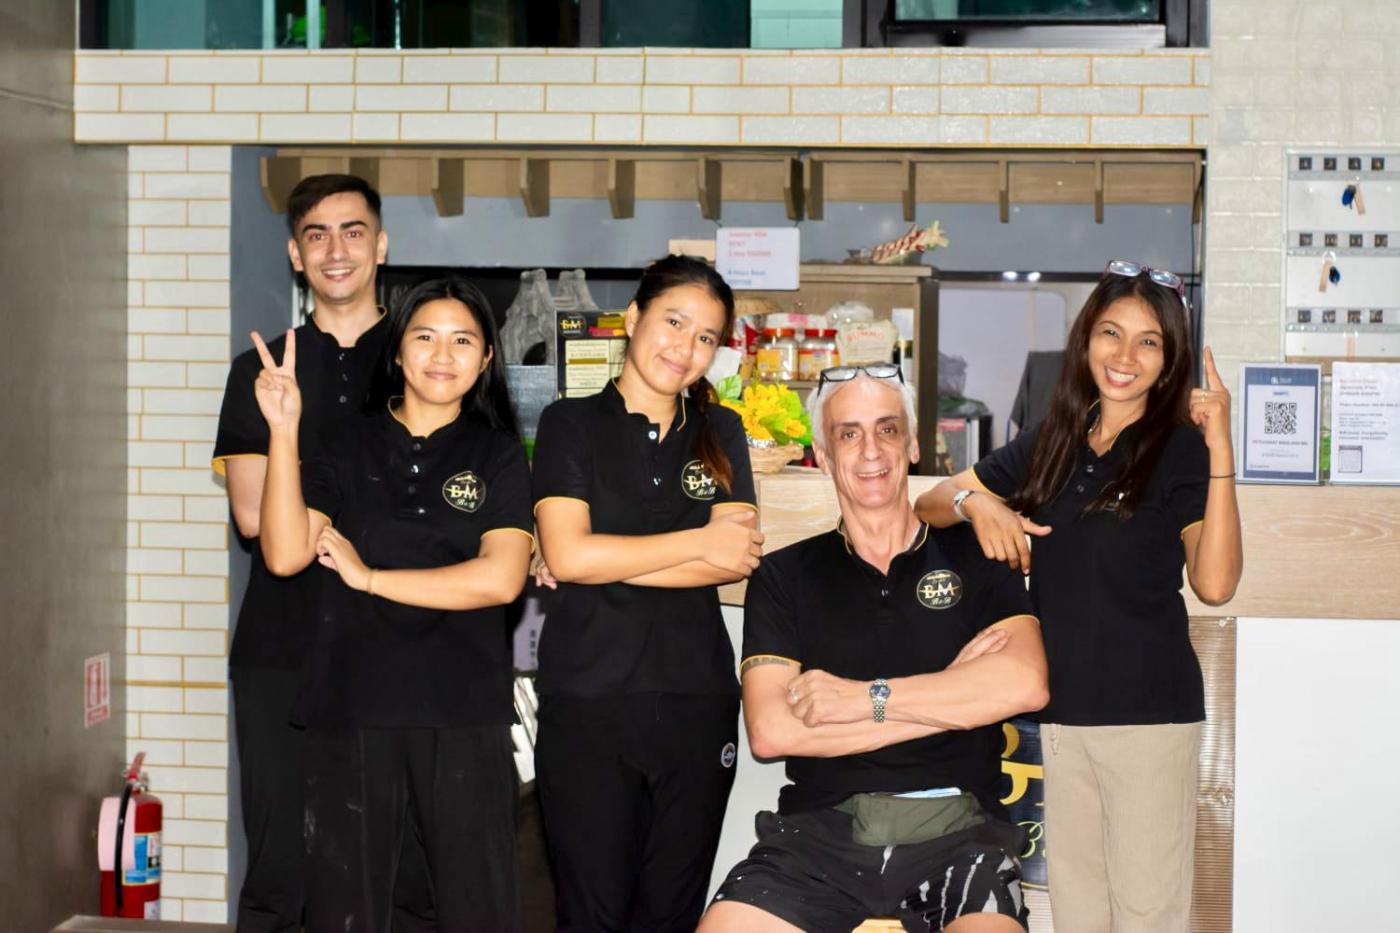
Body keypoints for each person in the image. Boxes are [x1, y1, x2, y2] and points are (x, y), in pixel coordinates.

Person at [913, 260, 1243, 933]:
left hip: (1149, 721)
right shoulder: (1054, 439)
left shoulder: (1179, 449)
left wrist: (1220, 447)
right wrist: (979, 503)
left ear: (1169, 358)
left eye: (1148, 342)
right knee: (1079, 916)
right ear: (1087, 336)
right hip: (1063, 720)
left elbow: (1215, 583)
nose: (1124, 356)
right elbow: (930, 503)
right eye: (1111, 333)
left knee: (1146, 918)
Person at [700, 363, 1049, 933]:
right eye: (849, 433)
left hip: (962, 835)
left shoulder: (979, 555)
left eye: (888, 429)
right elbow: (772, 732)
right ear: (821, 454)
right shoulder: (784, 575)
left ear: (912, 445)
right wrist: (951, 701)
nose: (871, 451)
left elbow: (1026, 685)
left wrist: (864, 699)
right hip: (816, 836)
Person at [253, 276, 533, 931]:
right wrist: (284, 431)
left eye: (463, 340)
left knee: (478, 910)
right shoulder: (345, 442)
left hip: (462, 713)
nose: (443, 354)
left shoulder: (497, 453)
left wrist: (371, 577)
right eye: (425, 336)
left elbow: (499, 579)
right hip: (351, 709)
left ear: (486, 358)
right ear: (399, 351)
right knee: (345, 913)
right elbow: (285, 553)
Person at [530, 255, 764, 932]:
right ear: (633, 318)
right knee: (591, 913)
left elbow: (735, 558)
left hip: (696, 702)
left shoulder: (721, 431)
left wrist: (598, 556)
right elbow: (568, 554)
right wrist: (693, 543)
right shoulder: (569, 423)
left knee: (672, 913)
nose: (685, 347)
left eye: (706, 336)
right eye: (674, 322)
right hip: (588, 701)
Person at [211, 173, 389, 931]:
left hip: (396, 647)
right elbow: (255, 517)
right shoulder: (259, 370)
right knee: (281, 868)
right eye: (316, 234)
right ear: (294, 254)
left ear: (381, 245)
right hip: (280, 650)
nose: (335, 250)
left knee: (386, 867)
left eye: (353, 231)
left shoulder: (422, 360)